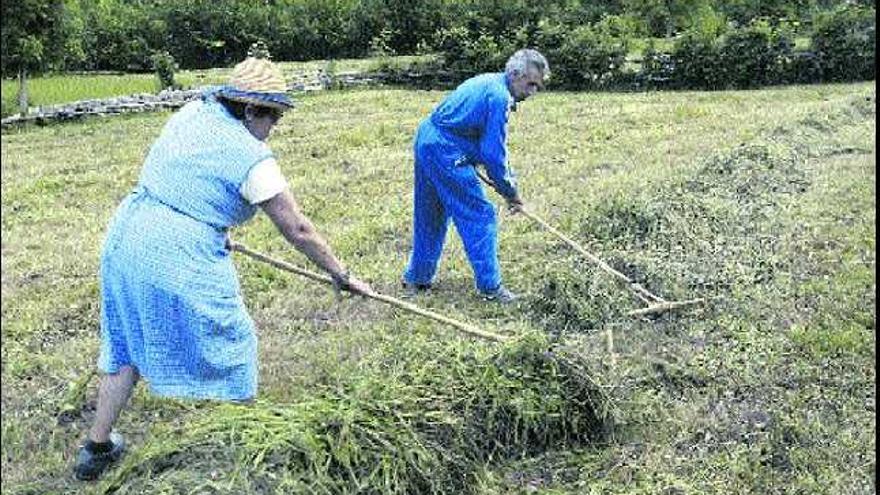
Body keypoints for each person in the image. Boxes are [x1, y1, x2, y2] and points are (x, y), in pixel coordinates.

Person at [73, 57, 372, 481]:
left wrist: (207, 221)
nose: (275, 128)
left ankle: (96, 449)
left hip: (128, 235)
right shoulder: (252, 158)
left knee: (125, 343)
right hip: (173, 250)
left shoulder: (195, 111)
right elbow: (299, 229)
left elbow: (186, 176)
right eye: (273, 117)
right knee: (234, 339)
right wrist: (340, 274)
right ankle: (251, 440)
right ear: (251, 110)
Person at [402, 49, 549, 303]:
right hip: (445, 150)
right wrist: (511, 193)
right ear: (515, 74)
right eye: (531, 83)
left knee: (431, 212)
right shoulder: (499, 97)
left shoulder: (487, 81)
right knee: (479, 214)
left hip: (427, 138)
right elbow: (494, 156)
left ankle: (418, 278)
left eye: (538, 86)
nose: (533, 91)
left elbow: (478, 140)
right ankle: (491, 288)